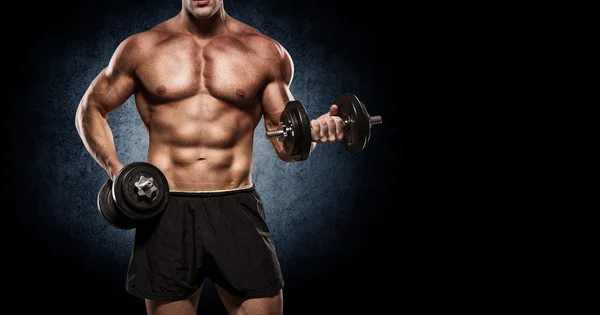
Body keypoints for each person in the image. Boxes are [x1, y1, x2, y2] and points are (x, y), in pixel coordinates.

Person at [75, 0, 344, 314]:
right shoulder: (141, 48)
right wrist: (115, 169)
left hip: (236, 206)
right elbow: (90, 109)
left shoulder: (265, 52)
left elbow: (287, 147)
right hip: (165, 212)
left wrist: (312, 135)